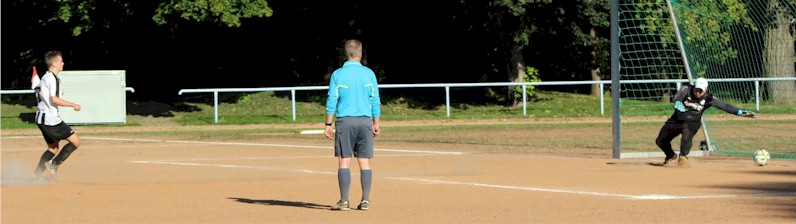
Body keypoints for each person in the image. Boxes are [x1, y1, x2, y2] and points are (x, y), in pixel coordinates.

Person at [324, 39, 381, 211]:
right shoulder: (369, 73)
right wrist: (376, 122)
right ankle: (365, 201)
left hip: (345, 121)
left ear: (346, 54)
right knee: (364, 162)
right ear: (360, 54)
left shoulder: (338, 74)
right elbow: (375, 99)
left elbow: (332, 100)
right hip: (364, 121)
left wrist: (328, 123)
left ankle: (344, 201)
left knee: (344, 161)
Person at [656, 77, 755, 166]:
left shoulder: (709, 98)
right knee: (660, 141)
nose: (697, 92)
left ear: (705, 90)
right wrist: (678, 101)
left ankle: (683, 157)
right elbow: (680, 95)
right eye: (696, 89)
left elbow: (724, 105)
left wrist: (739, 112)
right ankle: (670, 155)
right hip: (676, 120)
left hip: (692, 122)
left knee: (687, 136)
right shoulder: (686, 88)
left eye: (700, 91)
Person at [32, 50, 82, 180]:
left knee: (53, 149)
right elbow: (54, 99)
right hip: (50, 119)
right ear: (54, 64)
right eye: (61, 61)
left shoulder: (46, 77)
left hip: (42, 118)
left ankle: (36, 175)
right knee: (75, 141)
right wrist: (73, 105)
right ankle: (53, 164)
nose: (63, 63)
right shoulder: (51, 79)